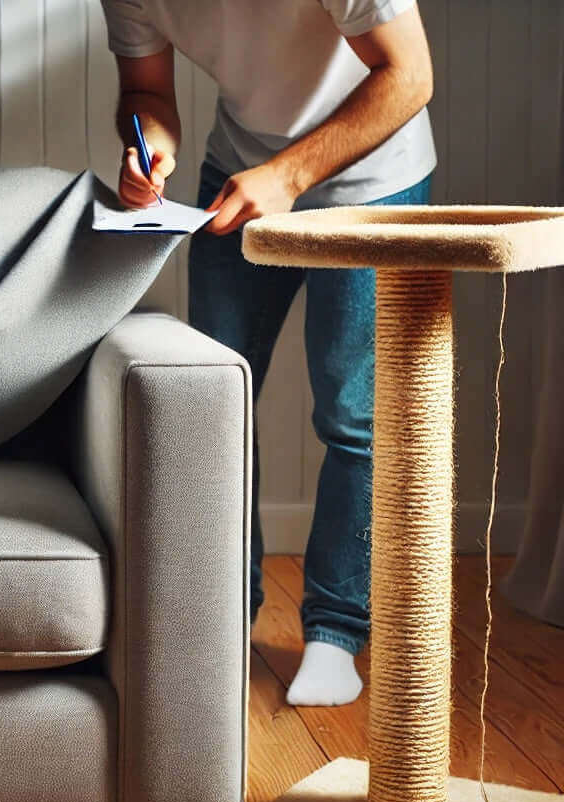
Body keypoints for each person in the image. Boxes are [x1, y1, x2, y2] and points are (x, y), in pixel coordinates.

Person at [101, 0, 435, 706]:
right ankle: (226, 620)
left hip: (375, 176)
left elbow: (410, 76)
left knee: (352, 414)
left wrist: (289, 177)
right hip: (241, 168)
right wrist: (149, 144)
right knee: (214, 403)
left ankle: (335, 634)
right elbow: (147, 90)